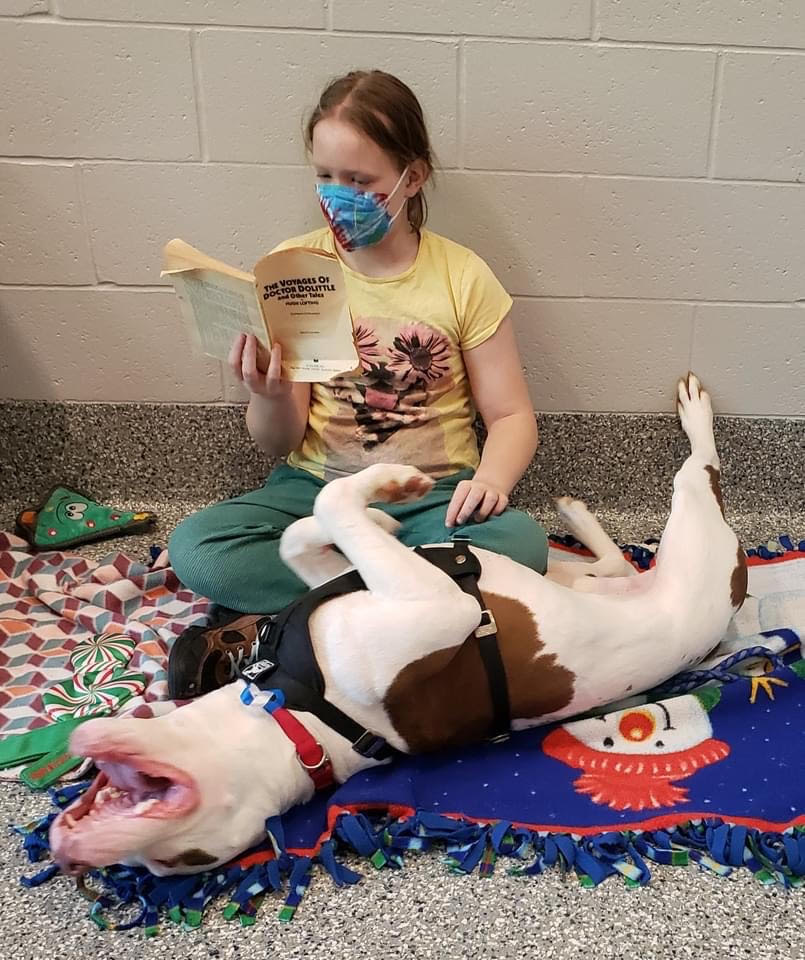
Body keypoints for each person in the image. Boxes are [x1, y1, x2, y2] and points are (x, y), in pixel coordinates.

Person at [167, 69, 547, 699]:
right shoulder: (298, 270)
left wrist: (492, 482)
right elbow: (276, 441)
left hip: (432, 499)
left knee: (520, 547)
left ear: (412, 177)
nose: (337, 195)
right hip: (313, 493)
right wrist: (264, 394)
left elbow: (511, 416)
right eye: (325, 177)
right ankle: (403, 610)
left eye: (359, 180)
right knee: (198, 548)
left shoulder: (461, 275)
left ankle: (302, 618)